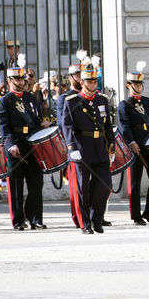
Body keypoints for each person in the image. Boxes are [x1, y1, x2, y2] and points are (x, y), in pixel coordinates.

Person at [0, 55, 50, 230]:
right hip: (15, 145)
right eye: (17, 79)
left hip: (32, 144)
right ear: (10, 80)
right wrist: (11, 144)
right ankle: (18, 220)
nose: (21, 82)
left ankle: (35, 218)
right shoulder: (4, 101)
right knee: (16, 186)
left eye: (22, 78)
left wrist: (42, 124)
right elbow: (3, 127)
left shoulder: (30, 98)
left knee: (36, 183)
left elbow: (35, 119)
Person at [61, 62, 115, 234]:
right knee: (82, 187)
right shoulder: (72, 101)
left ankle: (97, 219)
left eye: (94, 82)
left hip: (100, 148)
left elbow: (107, 126)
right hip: (82, 148)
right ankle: (85, 223)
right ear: (82, 82)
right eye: (89, 82)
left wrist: (111, 145)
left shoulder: (102, 100)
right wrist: (72, 147)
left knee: (105, 184)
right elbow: (66, 126)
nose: (93, 84)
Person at [117, 62, 149, 226]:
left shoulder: (147, 101)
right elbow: (124, 127)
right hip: (135, 146)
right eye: (135, 83)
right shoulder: (124, 105)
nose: (138, 86)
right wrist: (131, 143)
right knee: (135, 181)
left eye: (140, 83)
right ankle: (136, 215)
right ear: (128, 85)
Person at [57, 55, 86, 228]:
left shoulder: (91, 95)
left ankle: (94, 214)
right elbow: (63, 124)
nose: (81, 78)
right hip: (75, 144)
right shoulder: (65, 98)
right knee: (77, 184)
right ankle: (79, 217)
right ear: (71, 78)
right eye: (77, 75)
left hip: (92, 143)